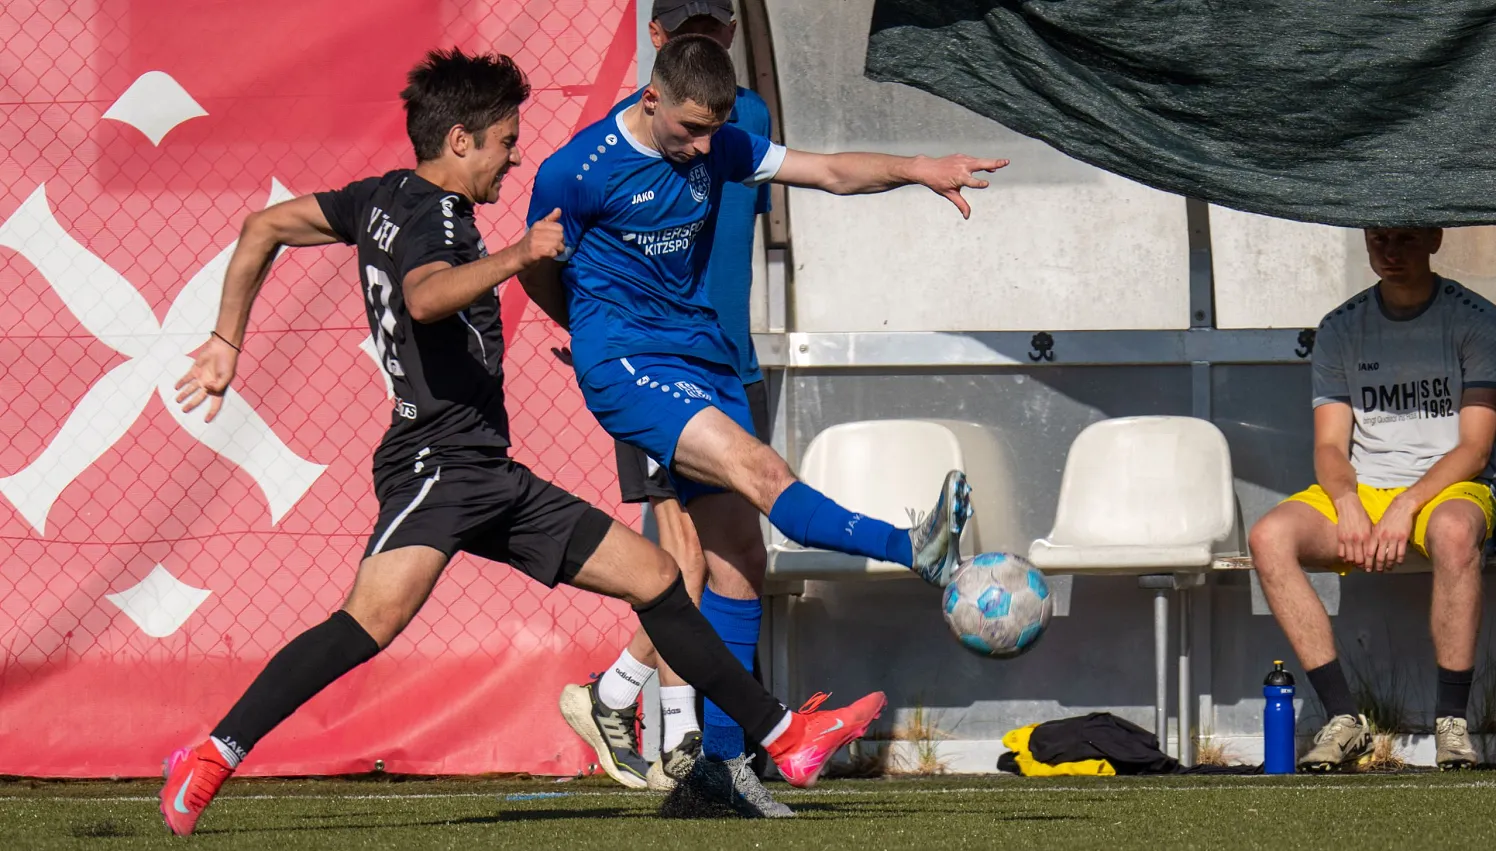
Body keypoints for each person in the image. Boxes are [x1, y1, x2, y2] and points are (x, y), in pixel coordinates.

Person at [156, 47, 886, 837]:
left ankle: (785, 734)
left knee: (655, 578)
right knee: (366, 624)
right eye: (506, 140)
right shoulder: (433, 215)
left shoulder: (376, 197)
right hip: (437, 466)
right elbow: (425, 296)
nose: (514, 156)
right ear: (461, 140)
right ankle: (212, 750)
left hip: (487, 470)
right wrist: (517, 256)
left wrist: (227, 338)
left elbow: (262, 225)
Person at [521, 34, 995, 805]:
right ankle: (917, 547)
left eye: (714, 131)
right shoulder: (576, 171)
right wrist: (590, 343)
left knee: (741, 556)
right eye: (689, 130)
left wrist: (918, 170)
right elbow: (538, 266)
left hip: (702, 355)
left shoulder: (724, 144)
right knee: (763, 475)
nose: (704, 146)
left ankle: (723, 765)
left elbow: (831, 171)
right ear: (650, 99)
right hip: (630, 365)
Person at [553, 0, 786, 816]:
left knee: (733, 565)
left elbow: (810, 167)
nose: (702, 36)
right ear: (655, 41)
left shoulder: (732, 115)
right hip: (655, 364)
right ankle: (656, 719)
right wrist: (597, 328)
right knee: (680, 560)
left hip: (727, 363)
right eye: (683, 25)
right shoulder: (631, 136)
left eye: (715, 24)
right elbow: (559, 246)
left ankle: (674, 728)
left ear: (730, 33)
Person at [1248, 227, 1496, 772]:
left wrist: (1408, 504)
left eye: (1405, 238)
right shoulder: (1340, 327)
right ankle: (1345, 720)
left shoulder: (1477, 319)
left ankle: (1451, 724)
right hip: (1364, 492)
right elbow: (1331, 446)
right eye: (1378, 237)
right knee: (1268, 536)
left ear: (1433, 239)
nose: (1389, 251)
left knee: (1455, 531)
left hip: (1447, 490)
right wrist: (1348, 499)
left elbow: (1475, 449)